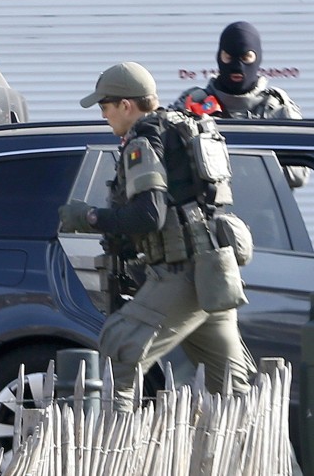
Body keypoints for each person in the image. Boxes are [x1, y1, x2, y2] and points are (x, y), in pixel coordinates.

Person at [59, 61, 257, 411]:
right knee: (231, 387)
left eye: (105, 106)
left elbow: (149, 215)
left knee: (118, 356)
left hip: (182, 273)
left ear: (126, 105)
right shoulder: (180, 127)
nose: (104, 115)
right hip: (213, 274)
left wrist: (89, 217)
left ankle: (109, 458)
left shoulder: (143, 139)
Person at [172, 20, 307, 187]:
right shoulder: (193, 103)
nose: (237, 66)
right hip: (204, 210)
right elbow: (169, 163)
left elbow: (297, 175)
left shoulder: (277, 108)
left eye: (245, 57)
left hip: (261, 210)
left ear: (257, 58)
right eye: (228, 57)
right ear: (219, 56)